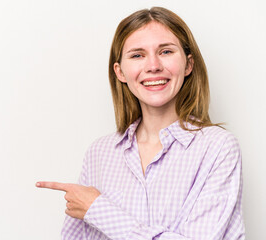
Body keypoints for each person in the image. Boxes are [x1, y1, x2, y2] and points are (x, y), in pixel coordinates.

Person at [36, 7, 245, 239]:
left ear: (188, 64)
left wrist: (98, 209)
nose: (153, 65)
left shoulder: (217, 147)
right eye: (137, 55)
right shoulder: (100, 153)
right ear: (120, 72)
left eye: (165, 51)